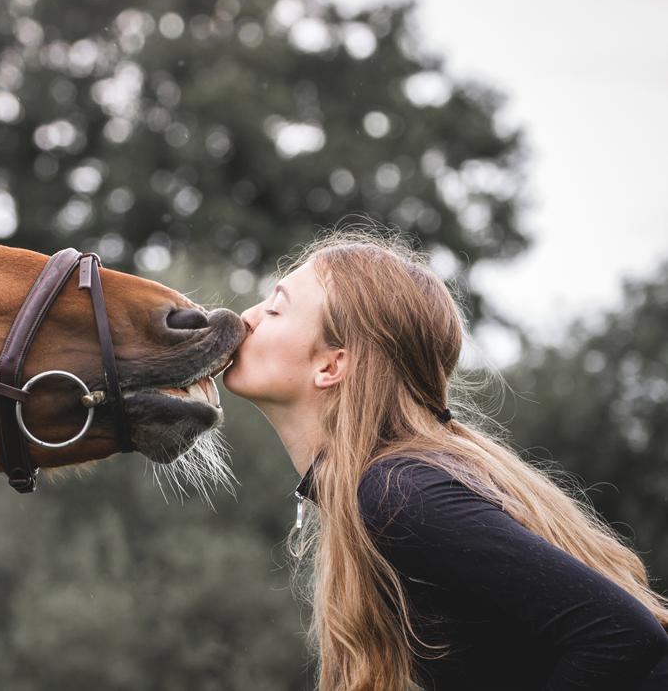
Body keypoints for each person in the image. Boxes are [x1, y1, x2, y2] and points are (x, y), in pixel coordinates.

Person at [222, 230, 668, 690]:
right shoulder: (390, 487)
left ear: (331, 366)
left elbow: (622, 634)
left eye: (274, 309)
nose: (245, 318)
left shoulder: (397, 494)